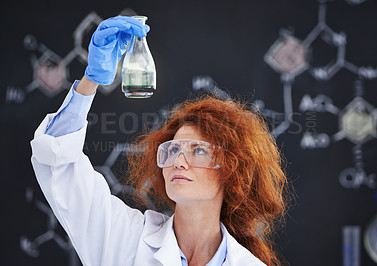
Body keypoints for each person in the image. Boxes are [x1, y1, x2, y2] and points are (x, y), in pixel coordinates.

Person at [31, 15, 289, 266]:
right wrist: (91, 80)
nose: (178, 161)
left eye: (198, 150)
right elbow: (58, 162)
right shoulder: (125, 239)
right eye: (173, 149)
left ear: (232, 169)